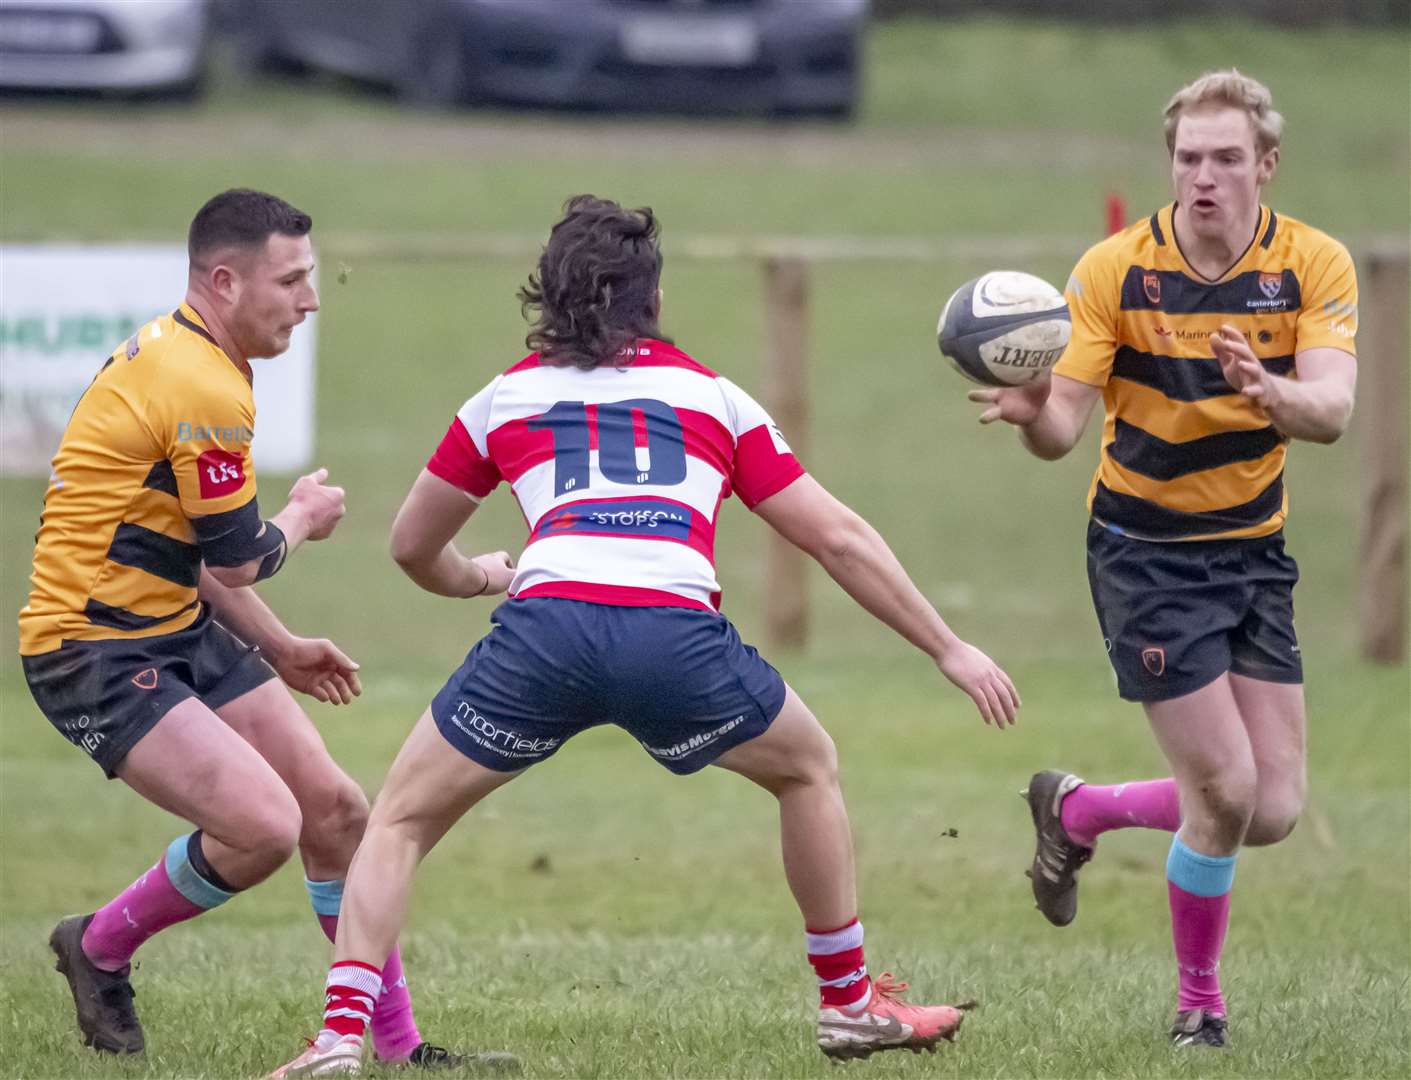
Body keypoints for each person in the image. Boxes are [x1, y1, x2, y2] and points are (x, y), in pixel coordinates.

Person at [268, 193, 1020, 1077]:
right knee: (806, 766)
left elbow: (409, 546)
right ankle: (849, 1005)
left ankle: (336, 1043)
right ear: (654, 304)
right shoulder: (711, 398)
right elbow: (837, 537)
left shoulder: (504, 399)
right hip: (672, 634)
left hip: (543, 634)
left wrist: (476, 577)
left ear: (546, 299)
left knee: (395, 821)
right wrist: (947, 647)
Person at [19, 189, 485, 1069]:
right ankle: (98, 946)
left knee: (337, 811)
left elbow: (189, 558)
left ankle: (398, 1047)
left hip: (173, 623)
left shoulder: (189, 352)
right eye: (294, 279)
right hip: (90, 649)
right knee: (262, 828)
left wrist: (279, 646)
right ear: (225, 282)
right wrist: (306, 514)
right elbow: (239, 556)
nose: (311, 299)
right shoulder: (200, 382)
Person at [969, 71, 1358, 1048]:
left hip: (1253, 552)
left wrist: (1266, 388)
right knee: (1222, 791)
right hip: (1145, 555)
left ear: (1266, 166)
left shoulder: (1312, 264)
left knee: (1270, 808)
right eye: (1188, 158)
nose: (1204, 178)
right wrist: (1028, 414)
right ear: (1170, 166)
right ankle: (1197, 1006)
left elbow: (1333, 412)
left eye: (1226, 159)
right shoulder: (1113, 271)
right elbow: (1063, 427)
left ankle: (1079, 809)